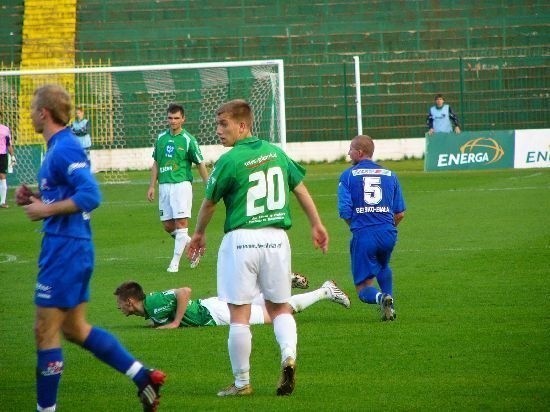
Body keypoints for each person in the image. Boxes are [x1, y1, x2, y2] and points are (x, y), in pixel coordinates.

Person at [15, 84, 166, 412]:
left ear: (44, 112)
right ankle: (143, 376)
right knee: (74, 329)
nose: (28, 113)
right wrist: (37, 199)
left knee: (45, 330)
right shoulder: (58, 147)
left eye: (32, 107)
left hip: (65, 251)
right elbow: (66, 196)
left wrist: (45, 210)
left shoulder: (65, 147)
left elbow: (90, 196)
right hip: (69, 248)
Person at [186, 99, 329, 397]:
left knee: (239, 314)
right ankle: (288, 355)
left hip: (242, 241)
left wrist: (198, 234)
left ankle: (242, 384)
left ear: (242, 125)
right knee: (279, 308)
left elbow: (210, 203)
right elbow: (300, 188)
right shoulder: (276, 152)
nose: (218, 130)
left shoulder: (229, 161)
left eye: (223, 124)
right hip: (278, 240)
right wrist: (316, 224)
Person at [114, 273, 350, 329]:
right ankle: (283, 281)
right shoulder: (150, 311)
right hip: (214, 306)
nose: (118, 307)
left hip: (216, 314)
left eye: (120, 302)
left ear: (131, 301)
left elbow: (183, 291)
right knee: (260, 304)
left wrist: (176, 322)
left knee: (277, 314)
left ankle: (325, 291)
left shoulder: (153, 303)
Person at [337, 135, 406, 321]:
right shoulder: (391, 175)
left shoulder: (347, 176)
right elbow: (400, 213)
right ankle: (389, 307)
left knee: (363, 288)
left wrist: (358, 228)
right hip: (388, 233)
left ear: (359, 153)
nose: (348, 152)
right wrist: (386, 227)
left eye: (351, 149)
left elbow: (345, 211)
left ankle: (381, 298)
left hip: (364, 234)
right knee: (383, 265)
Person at [147, 103, 208, 273]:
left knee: (181, 223)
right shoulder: (161, 138)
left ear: (183, 119)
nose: (173, 121)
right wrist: (152, 185)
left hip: (181, 186)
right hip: (164, 186)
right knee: (167, 225)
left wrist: (208, 184)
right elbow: (156, 163)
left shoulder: (188, 140)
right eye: (170, 118)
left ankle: (174, 263)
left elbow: (200, 163)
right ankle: (192, 245)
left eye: (176, 118)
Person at [0, 121, 15, 208]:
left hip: (2, 155)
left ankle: (2, 202)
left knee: (2, 176)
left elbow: (8, 144)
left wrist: (12, 156)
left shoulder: (5, 129)